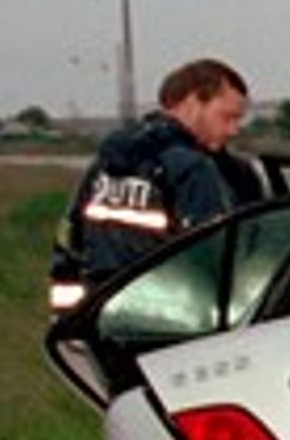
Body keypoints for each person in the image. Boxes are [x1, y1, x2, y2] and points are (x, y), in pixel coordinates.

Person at [50, 58, 259, 310]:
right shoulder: (192, 168)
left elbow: (69, 242)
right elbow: (216, 257)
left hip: (101, 314)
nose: (234, 130)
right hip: (168, 317)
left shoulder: (105, 165)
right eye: (228, 117)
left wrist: (69, 319)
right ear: (193, 102)